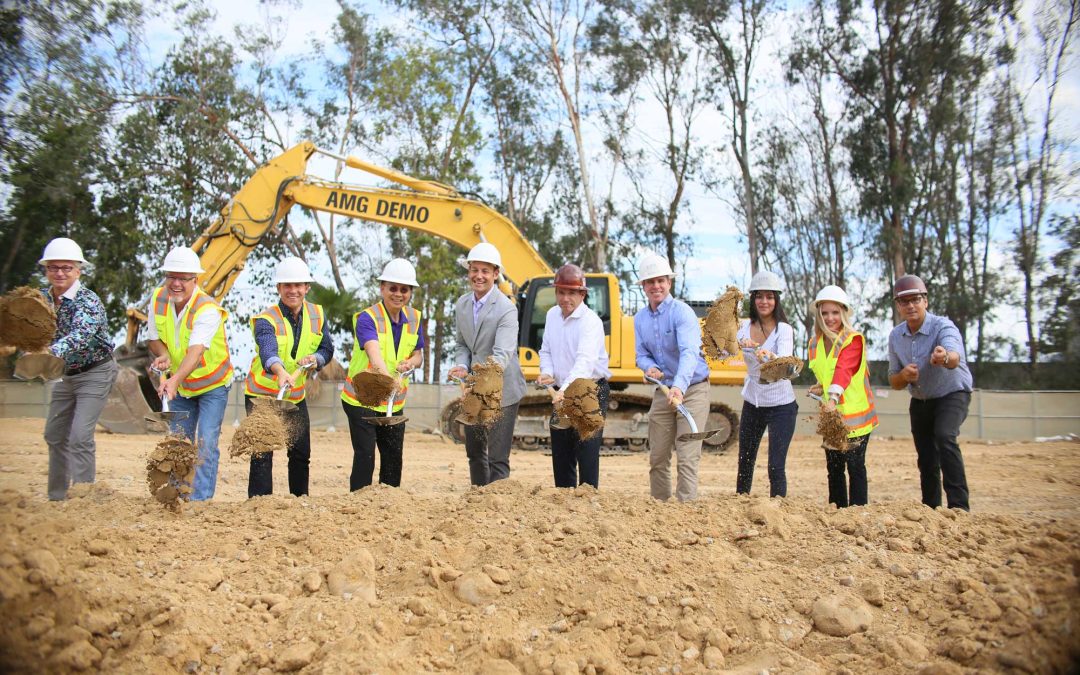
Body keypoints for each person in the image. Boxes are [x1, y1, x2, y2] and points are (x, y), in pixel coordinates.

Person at [147, 246, 234, 501]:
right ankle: (177, 498)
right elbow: (154, 340)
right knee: (177, 444)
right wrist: (163, 356)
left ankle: (200, 502)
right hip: (182, 387)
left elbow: (195, 353)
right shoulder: (158, 299)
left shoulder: (207, 309)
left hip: (212, 385)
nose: (176, 283)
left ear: (194, 280)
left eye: (183, 278)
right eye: (171, 277)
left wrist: (173, 380)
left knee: (206, 443)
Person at [36, 238, 119, 501]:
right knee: (54, 434)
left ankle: (83, 498)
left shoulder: (88, 301)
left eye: (66, 268)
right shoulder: (39, 300)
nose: (60, 273)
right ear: (46, 270)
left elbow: (80, 335)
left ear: (78, 270)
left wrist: (46, 353)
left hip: (95, 372)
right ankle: (58, 497)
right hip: (65, 374)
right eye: (54, 267)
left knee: (80, 436)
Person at [243, 257, 334, 498]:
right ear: (278, 288)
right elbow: (267, 349)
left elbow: (327, 349)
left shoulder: (317, 315)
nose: (293, 290)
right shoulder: (266, 319)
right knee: (262, 451)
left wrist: (317, 359)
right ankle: (260, 504)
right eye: (287, 285)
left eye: (298, 285)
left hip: (294, 396)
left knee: (300, 451)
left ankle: (299, 501)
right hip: (262, 396)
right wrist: (280, 371)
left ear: (307, 288)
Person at [887, 274, 973, 511]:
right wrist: (904, 376)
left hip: (952, 392)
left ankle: (959, 507)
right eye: (904, 302)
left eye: (915, 299)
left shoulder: (943, 326)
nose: (910, 306)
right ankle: (930, 508)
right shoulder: (896, 336)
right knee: (926, 455)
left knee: (945, 436)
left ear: (925, 301)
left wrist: (943, 357)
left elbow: (955, 357)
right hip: (922, 399)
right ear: (898, 306)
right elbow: (894, 381)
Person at [634, 252, 711, 502]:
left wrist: (679, 387)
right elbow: (641, 355)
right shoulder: (640, 319)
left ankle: (685, 511)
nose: (656, 286)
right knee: (657, 456)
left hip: (692, 389)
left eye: (661, 280)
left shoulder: (682, 313)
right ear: (643, 286)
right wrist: (649, 368)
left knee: (687, 455)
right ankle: (660, 509)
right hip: (663, 391)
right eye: (650, 281)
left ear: (669, 282)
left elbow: (689, 352)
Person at [447, 243, 526, 486]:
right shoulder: (462, 304)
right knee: (474, 452)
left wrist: (478, 382)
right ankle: (477, 502)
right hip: (474, 388)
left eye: (485, 271)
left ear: (495, 274)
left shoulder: (506, 309)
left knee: (497, 458)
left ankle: (495, 512)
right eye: (474, 270)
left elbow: (501, 355)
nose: (479, 276)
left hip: (503, 390)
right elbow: (462, 344)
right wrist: (462, 366)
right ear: (468, 271)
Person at [341, 258, 424, 489]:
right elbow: (374, 353)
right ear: (382, 288)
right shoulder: (367, 318)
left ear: (410, 292)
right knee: (366, 456)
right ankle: (359, 503)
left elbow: (418, 355)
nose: (398, 294)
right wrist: (387, 378)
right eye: (393, 288)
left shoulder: (415, 319)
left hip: (393, 403)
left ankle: (388, 503)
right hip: (361, 400)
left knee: (393, 458)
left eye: (404, 290)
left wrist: (411, 363)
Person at [537, 264, 612, 489]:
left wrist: (564, 390)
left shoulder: (591, 322)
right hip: (561, 389)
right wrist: (547, 372)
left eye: (571, 293)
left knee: (586, 449)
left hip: (589, 391)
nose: (565, 298)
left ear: (582, 294)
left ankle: (588, 502)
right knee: (561, 451)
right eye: (561, 292)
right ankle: (564, 498)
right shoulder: (552, 315)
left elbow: (584, 363)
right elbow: (546, 350)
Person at [807, 285, 878, 508]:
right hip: (832, 416)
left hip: (856, 417)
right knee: (834, 467)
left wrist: (833, 398)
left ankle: (858, 513)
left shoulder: (852, 339)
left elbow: (844, 371)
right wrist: (819, 387)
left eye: (835, 313)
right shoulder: (814, 343)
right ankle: (837, 512)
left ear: (844, 313)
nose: (830, 318)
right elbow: (826, 373)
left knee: (855, 466)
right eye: (825, 313)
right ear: (818, 314)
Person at [735, 270, 798, 498]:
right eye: (759, 296)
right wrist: (738, 344)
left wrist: (765, 355)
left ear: (776, 300)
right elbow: (723, 350)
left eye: (769, 297)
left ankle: (777, 508)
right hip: (753, 401)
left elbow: (784, 362)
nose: (764, 302)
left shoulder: (785, 330)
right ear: (753, 299)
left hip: (781, 404)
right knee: (745, 460)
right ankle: (740, 503)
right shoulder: (742, 328)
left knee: (775, 466)